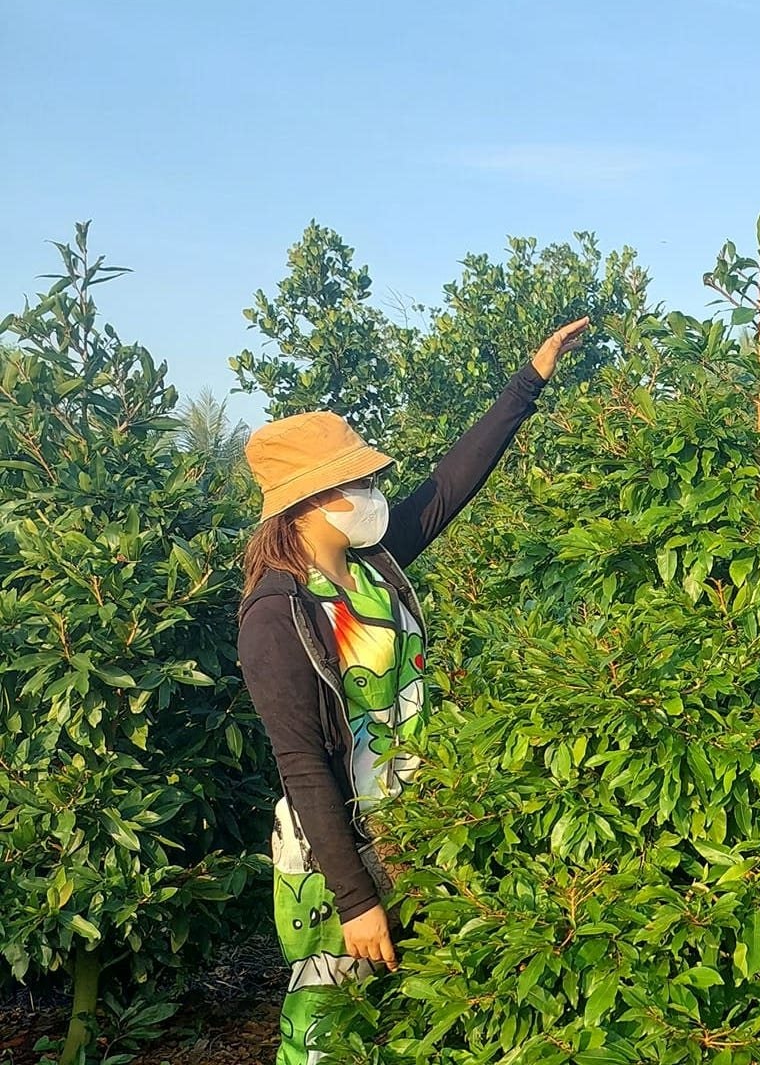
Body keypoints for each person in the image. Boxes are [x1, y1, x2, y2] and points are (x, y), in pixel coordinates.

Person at [237, 317, 590, 1064]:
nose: (372, 493)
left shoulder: (371, 565)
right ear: (307, 500)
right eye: (356, 483)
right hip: (339, 855)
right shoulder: (278, 612)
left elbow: (449, 484)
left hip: (414, 830)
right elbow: (301, 766)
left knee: (402, 1025)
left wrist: (528, 382)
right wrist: (356, 901)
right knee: (328, 1031)